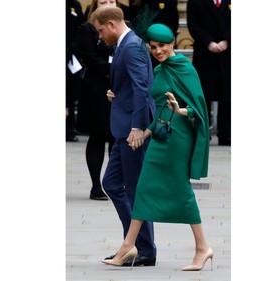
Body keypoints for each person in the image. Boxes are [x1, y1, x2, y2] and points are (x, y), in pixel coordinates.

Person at [101, 23, 212, 271]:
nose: (158, 50)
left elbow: (198, 109)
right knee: (143, 189)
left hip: (178, 138)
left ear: (173, 44)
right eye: (153, 47)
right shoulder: (158, 70)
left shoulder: (185, 68)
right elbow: (153, 104)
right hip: (160, 138)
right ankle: (129, 245)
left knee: (182, 191)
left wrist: (179, 109)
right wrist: (142, 129)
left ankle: (203, 248)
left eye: (162, 45)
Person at [89, 5, 157, 266]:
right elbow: (133, 86)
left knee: (134, 190)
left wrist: (138, 128)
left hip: (132, 132)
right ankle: (134, 244)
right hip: (125, 127)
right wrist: (116, 93)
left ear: (112, 24)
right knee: (114, 184)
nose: (99, 36)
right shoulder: (126, 44)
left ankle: (144, 249)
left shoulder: (129, 47)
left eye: (100, 30)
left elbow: (143, 88)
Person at [72, 0, 127, 200]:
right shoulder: (87, 29)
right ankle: (96, 186)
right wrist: (115, 70)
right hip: (96, 90)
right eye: (103, 1)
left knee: (116, 136)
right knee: (96, 136)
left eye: (111, 1)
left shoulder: (124, 26)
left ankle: (114, 183)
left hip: (118, 89)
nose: (107, 3)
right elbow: (90, 57)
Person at [187, 0, 231, 146]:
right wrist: (209, 42)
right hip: (204, 53)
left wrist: (227, 40)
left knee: (228, 95)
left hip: (228, 54)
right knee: (203, 95)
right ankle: (203, 133)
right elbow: (193, 24)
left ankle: (226, 134)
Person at [128, 0, 179, 68]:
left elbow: (173, 25)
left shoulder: (170, 2)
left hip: (163, 48)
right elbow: (133, 25)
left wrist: (161, 43)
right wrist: (144, 43)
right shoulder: (135, 2)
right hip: (140, 49)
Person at [66, 0, 84, 142]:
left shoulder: (75, 5)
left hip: (72, 56)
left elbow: (80, 28)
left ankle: (69, 130)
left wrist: (73, 49)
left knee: (70, 94)